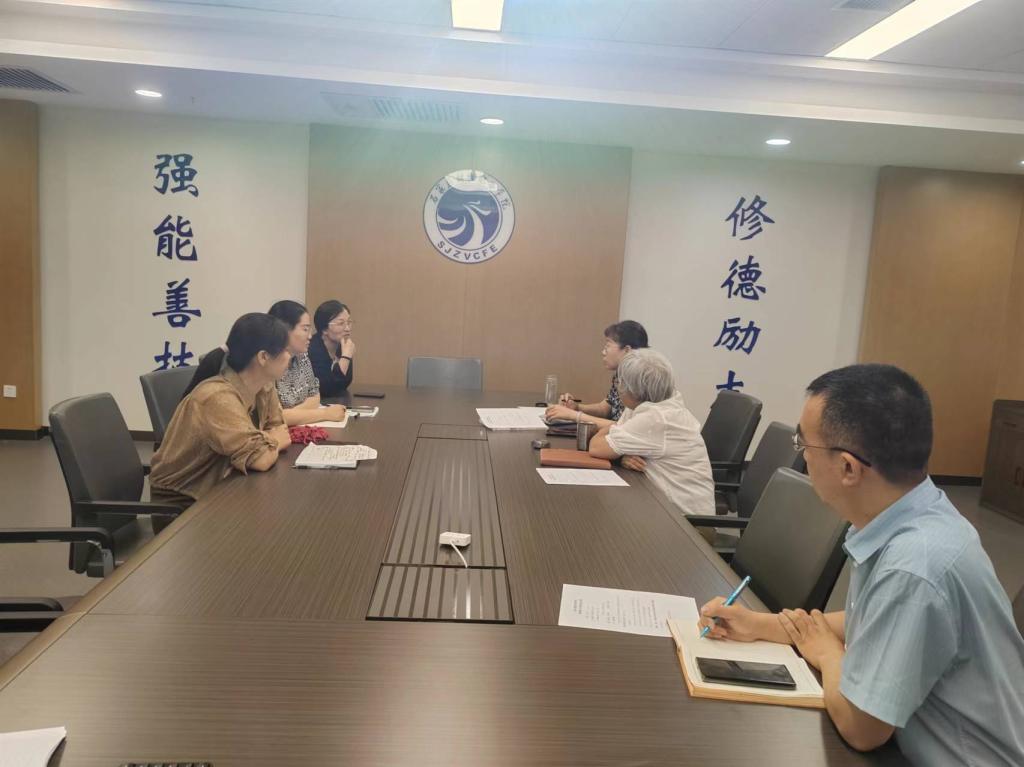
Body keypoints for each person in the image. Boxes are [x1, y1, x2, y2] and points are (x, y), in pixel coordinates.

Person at [698, 364, 1024, 765]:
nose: (803, 456)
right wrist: (762, 626)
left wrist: (827, 653)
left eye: (804, 445)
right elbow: (870, 618)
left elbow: (862, 727)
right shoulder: (915, 513)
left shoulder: (914, 565)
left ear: (848, 468)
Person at [150, 313, 293, 508]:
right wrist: (272, 440)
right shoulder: (217, 397)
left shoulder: (264, 385)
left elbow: (278, 428)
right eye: (285, 350)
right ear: (263, 357)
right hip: (183, 504)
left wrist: (269, 441)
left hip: (223, 485)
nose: (289, 357)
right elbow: (260, 459)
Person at [587, 349, 715, 516]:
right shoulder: (656, 403)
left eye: (620, 382)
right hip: (665, 507)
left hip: (688, 522)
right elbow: (615, 438)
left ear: (631, 390)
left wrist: (614, 433)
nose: (618, 387)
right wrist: (621, 455)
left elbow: (596, 447)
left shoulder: (656, 418)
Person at [545, 320, 648, 429]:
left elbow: (624, 428)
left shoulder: (640, 380)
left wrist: (574, 415)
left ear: (627, 350)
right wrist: (576, 407)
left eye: (607, 346)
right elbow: (605, 409)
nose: (603, 352)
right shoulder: (620, 374)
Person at [267, 300, 346, 426]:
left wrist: (292, 415)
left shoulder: (301, 356)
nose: (310, 336)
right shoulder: (268, 363)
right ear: (284, 331)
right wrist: (325, 414)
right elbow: (275, 418)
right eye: (305, 329)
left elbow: (315, 396)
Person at [308, 300, 355, 398]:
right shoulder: (312, 349)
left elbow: (344, 383)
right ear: (324, 329)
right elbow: (326, 389)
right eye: (341, 323)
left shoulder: (344, 347)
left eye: (349, 322)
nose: (347, 328)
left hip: (336, 403)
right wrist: (346, 357)